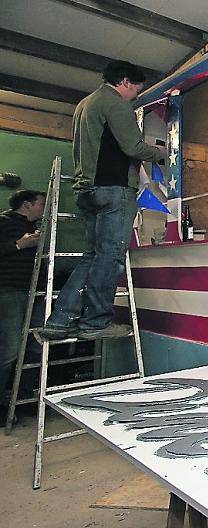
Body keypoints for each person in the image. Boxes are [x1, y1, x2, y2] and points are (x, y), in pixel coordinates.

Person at [39, 60, 165, 341]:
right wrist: (161, 154)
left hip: (87, 190)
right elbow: (132, 146)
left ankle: (60, 319)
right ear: (125, 82)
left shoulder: (85, 104)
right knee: (110, 258)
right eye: (136, 89)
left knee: (93, 257)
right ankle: (96, 322)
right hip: (113, 189)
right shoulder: (116, 104)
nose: (135, 95)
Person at [0, 190, 46, 415]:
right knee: (9, 350)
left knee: (35, 346)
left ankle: (23, 400)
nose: (43, 208)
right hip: (10, 291)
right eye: (40, 204)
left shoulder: (35, 228)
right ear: (26, 205)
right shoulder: (3, 221)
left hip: (35, 292)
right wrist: (19, 245)